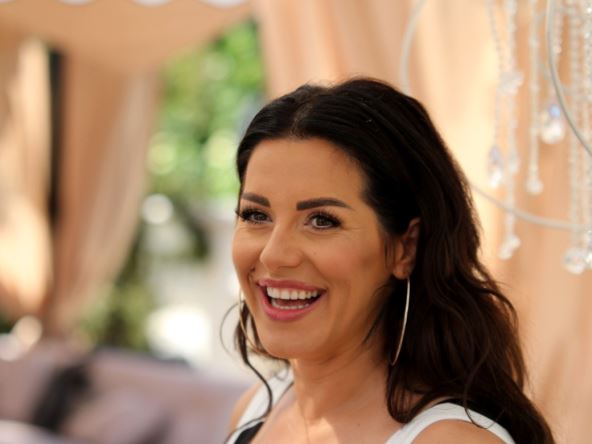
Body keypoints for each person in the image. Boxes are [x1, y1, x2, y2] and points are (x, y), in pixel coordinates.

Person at [226, 78, 554, 443]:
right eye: (256, 215)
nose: (274, 255)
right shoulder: (254, 409)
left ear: (405, 248)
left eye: (322, 221)